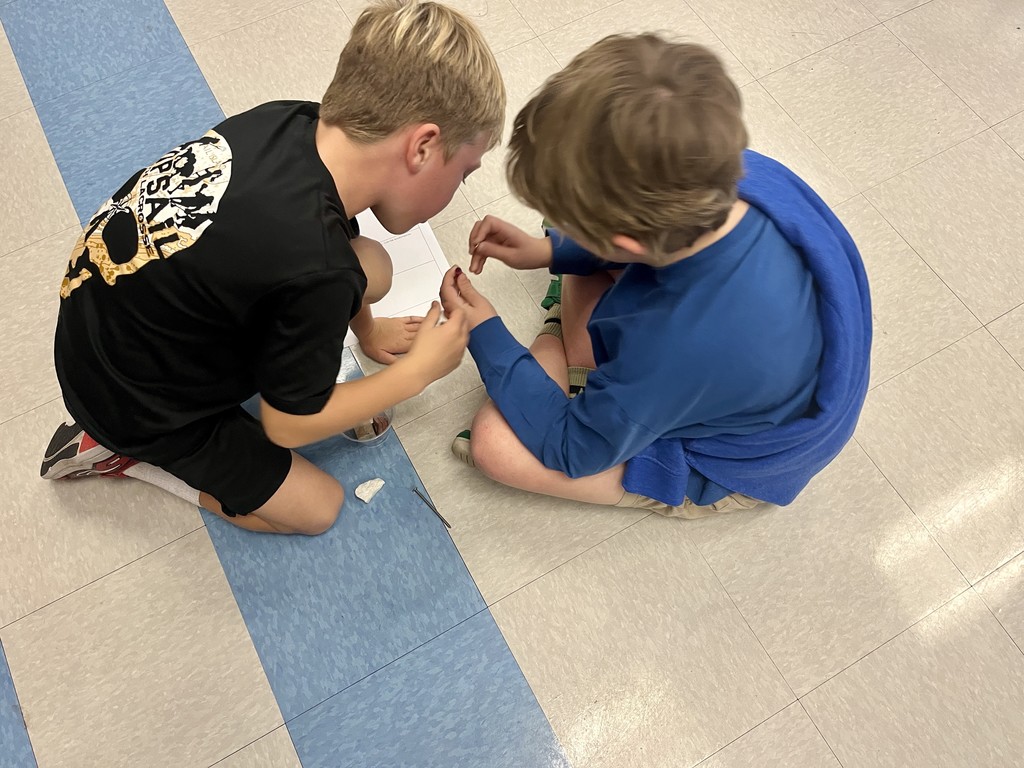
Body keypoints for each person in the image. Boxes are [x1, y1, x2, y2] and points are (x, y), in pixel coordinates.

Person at [39, 0, 506, 535]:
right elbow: (288, 425)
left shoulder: (295, 122)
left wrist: (369, 331)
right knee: (314, 508)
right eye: (464, 173)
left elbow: (319, 263)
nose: (459, 189)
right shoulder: (316, 268)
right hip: (134, 403)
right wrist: (414, 373)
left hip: (100, 325)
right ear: (422, 146)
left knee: (370, 265)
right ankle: (119, 454)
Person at [439, 34, 871, 518]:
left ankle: (564, 359)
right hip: (721, 365)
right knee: (585, 295)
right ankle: (575, 363)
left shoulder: (683, 347)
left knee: (494, 446)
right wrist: (548, 250)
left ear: (627, 245)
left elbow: (574, 450)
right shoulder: (729, 172)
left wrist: (487, 336)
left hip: (738, 460)